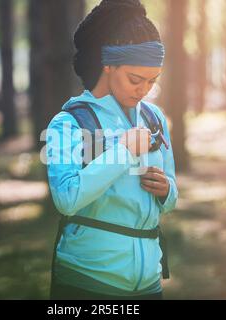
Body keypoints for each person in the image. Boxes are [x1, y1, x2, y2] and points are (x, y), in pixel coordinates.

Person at [45, 0, 178, 300]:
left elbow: (171, 199)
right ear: (107, 64)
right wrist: (124, 151)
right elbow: (66, 199)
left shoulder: (154, 119)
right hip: (87, 281)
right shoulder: (68, 124)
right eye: (135, 79)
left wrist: (166, 190)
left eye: (152, 81)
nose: (144, 90)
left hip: (149, 283)